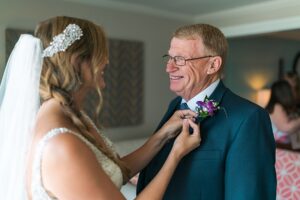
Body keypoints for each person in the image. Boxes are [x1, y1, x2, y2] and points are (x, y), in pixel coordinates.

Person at [0, 16, 202, 200]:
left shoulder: (73, 115)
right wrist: (175, 155)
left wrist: (163, 134)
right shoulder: (60, 144)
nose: (106, 61)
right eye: (100, 54)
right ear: (77, 61)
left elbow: (116, 171)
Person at [137, 23, 277, 200]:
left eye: (180, 59)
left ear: (213, 65)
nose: (169, 68)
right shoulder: (175, 105)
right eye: (170, 58)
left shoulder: (248, 118)